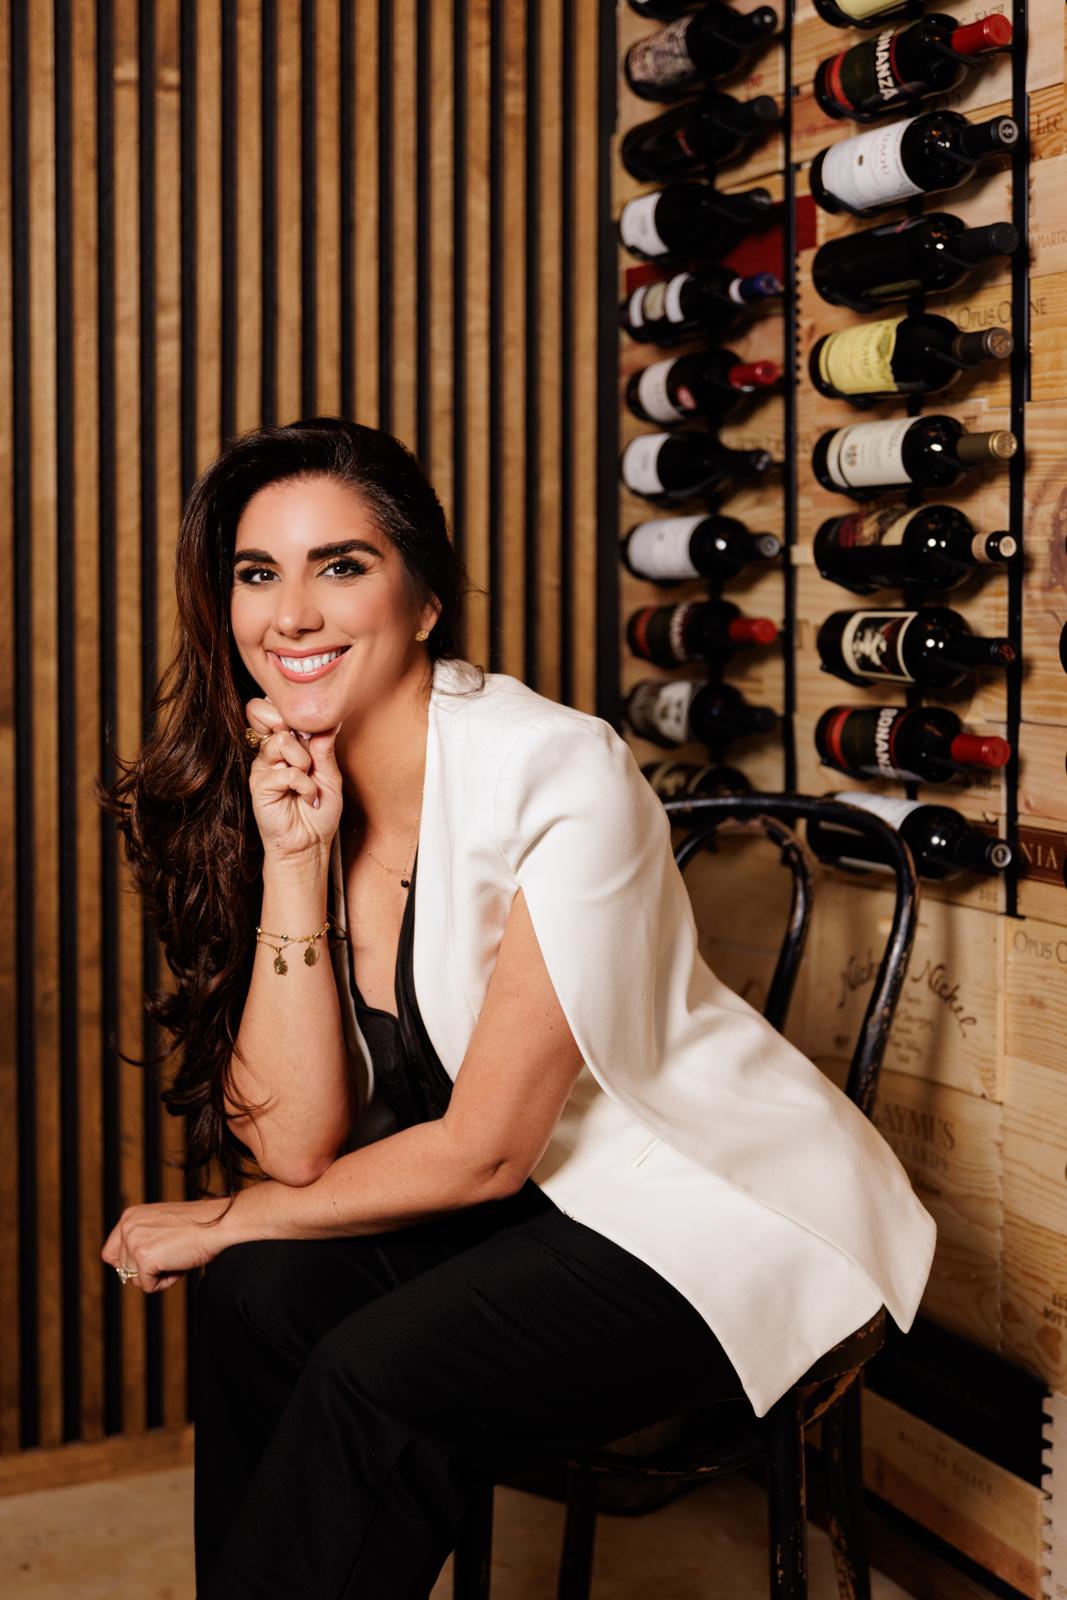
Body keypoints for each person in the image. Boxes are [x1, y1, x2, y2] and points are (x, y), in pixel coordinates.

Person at [98, 417, 936, 1600]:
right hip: (532, 1202)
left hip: (701, 1205)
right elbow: (292, 1146)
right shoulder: (283, 780)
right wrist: (294, 861)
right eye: (256, 572)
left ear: (424, 601)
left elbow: (486, 1148)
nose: (290, 614)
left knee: (372, 1376)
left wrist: (226, 1216)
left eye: (340, 564)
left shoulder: (554, 769)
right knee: (255, 1293)